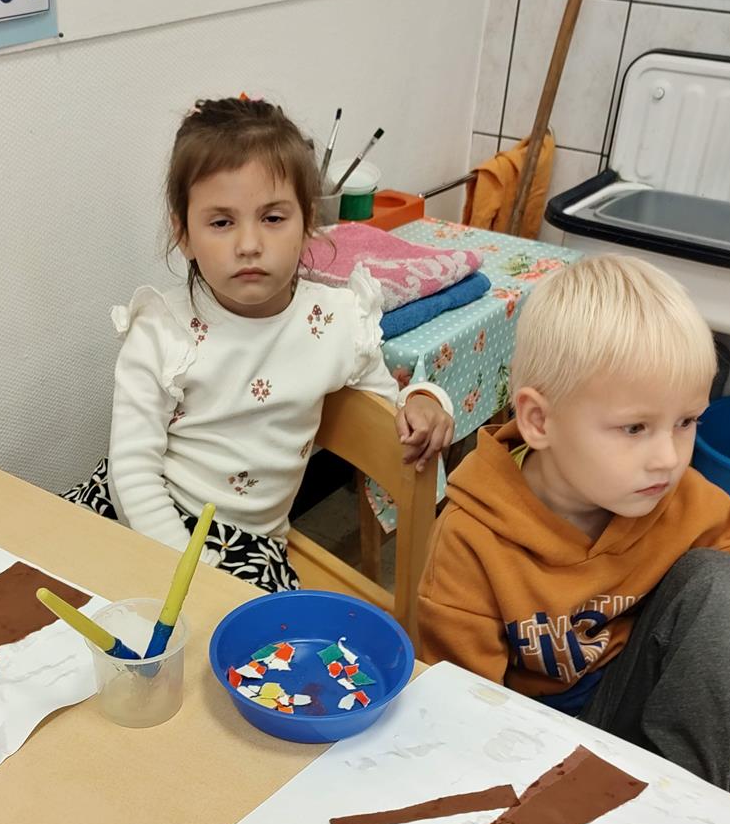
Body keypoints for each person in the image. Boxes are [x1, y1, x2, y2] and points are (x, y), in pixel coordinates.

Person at [66, 96, 454, 592]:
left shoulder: (337, 322)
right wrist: (188, 571)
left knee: (262, 641)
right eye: (221, 222)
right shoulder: (161, 330)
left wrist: (426, 400)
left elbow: (389, 403)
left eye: (272, 218)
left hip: (246, 546)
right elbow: (132, 473)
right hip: (142, 511)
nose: (249, 244)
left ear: (307, 222)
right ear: (184, 234)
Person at [417, 255, 730, 788]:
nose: (669, 458)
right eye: (634, 428)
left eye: (686, 421)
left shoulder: (694, 507)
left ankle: (696, 813)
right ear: (539, 420)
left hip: (634, 711)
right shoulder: (471, 535)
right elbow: (462, 709)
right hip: (520, 737)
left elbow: (727, 648)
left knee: (724, 583)